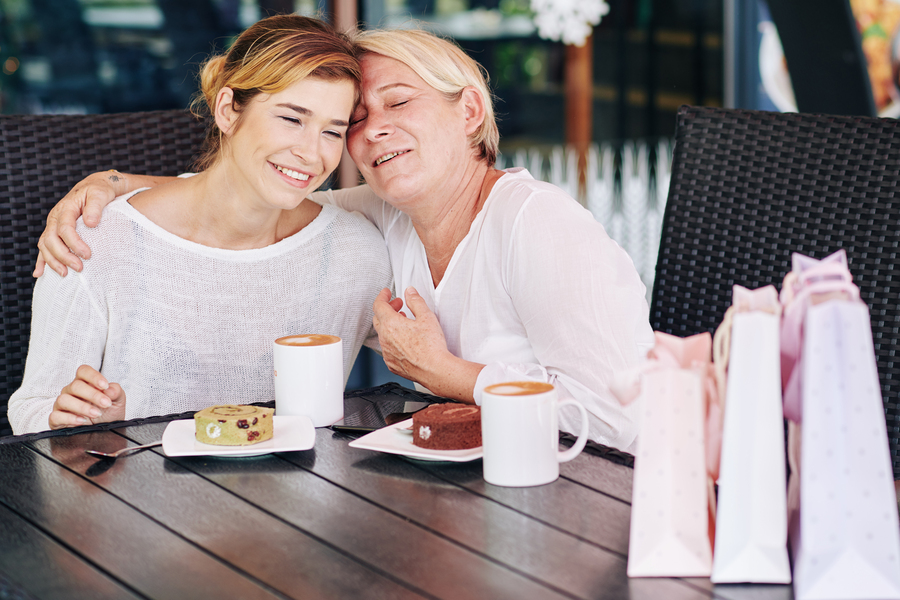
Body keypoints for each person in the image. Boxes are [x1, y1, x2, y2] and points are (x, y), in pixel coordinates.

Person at [34, 28, 654, 452]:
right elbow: (258, 197)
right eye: (356, 121)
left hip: (578, 495)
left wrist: (445, 373)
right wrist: (114, 186)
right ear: (227, 109)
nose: (372, 132)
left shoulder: (534, 226)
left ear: (469, 112)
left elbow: (622, 422)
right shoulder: (388, 217)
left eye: (398, 102)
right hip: (453, 493)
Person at [9, 15, 392, 434]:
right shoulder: (96, 243)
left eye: (332, 132)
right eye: (292, 118)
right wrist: (75, 419)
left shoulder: (356, 253)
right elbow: (31, 408)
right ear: (228, 110)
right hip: (143, 493)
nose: (310, 152)